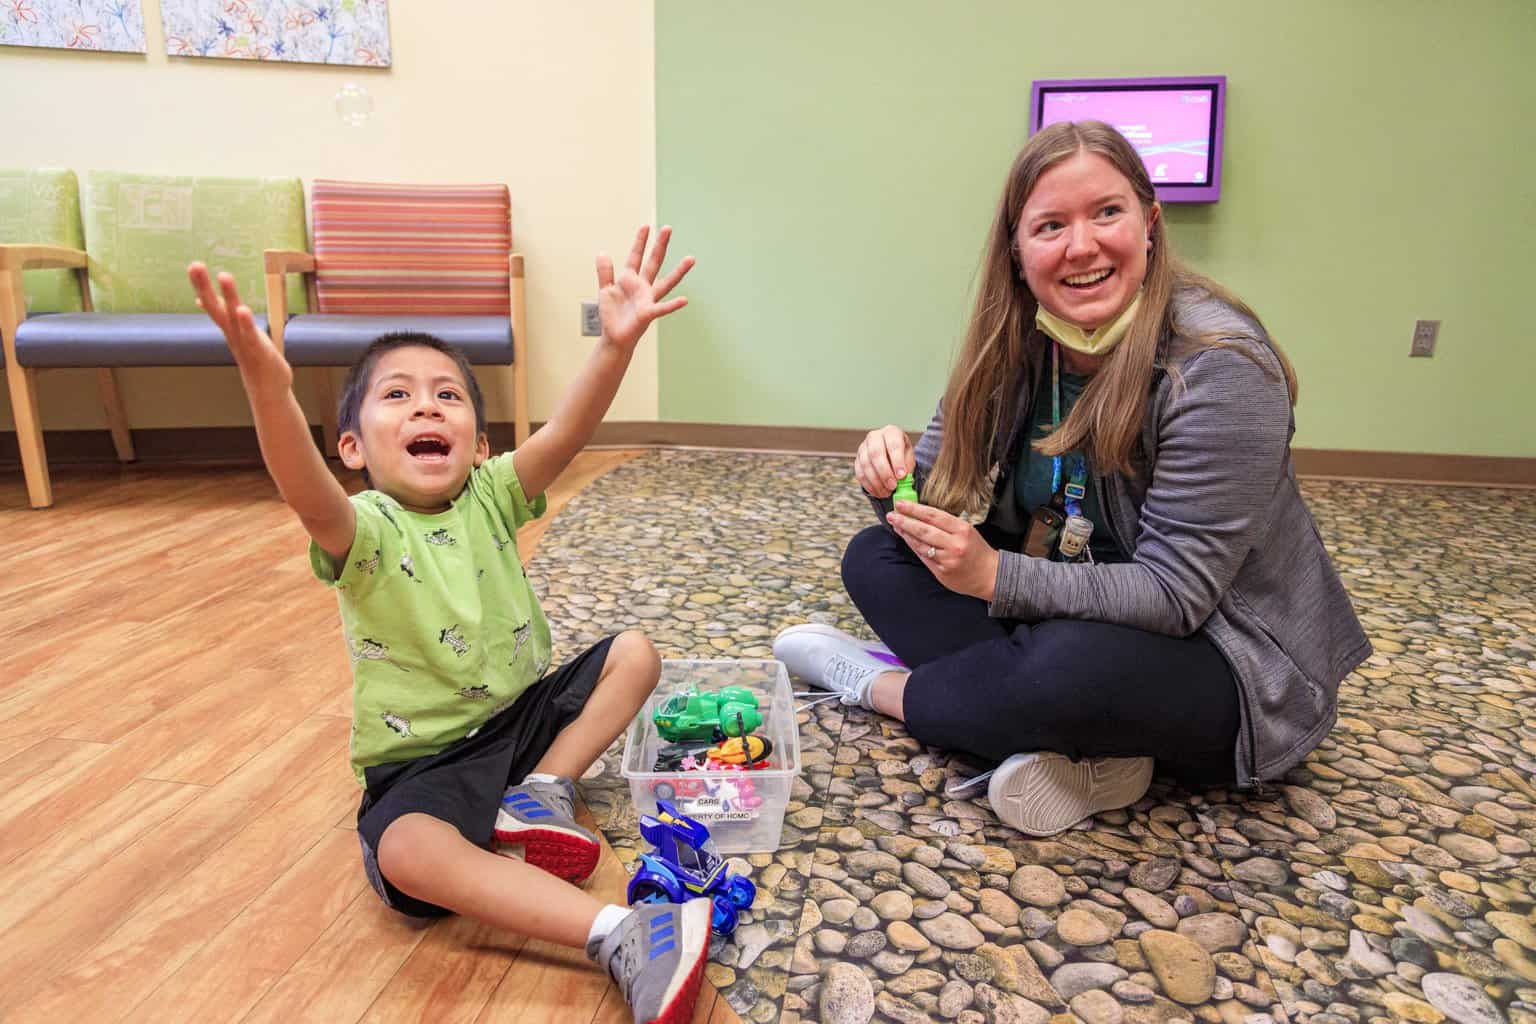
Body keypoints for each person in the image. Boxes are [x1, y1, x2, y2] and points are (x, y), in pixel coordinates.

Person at [774, 121, 1370, 837]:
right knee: (875, 558)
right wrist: (889, 478)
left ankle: (883, 687)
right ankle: (1072, 745)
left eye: (1107, 213)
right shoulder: (1018, 340)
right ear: (1018, 252)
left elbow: (1175, 595)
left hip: (1221, 659)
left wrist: (996, 578)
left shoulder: (1221, 367)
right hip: (1067, 603)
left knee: (1065, 666)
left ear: (1150, 224)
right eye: (1051, 225)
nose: (1081, 246)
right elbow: (931, 499)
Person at [189, 226, 711, 1024]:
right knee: (402, 853)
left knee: (635, 654)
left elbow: (567, 433)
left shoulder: (493, 495)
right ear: (354, 448)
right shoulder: (360, 529)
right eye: (396, 394)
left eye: (448, 394)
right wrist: (268, 390)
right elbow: (303, 488)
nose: (427, 403)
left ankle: (540, 794)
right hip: (425, 763)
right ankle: (625, 933)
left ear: (480, 441)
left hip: (519, 719)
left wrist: (614, 348)